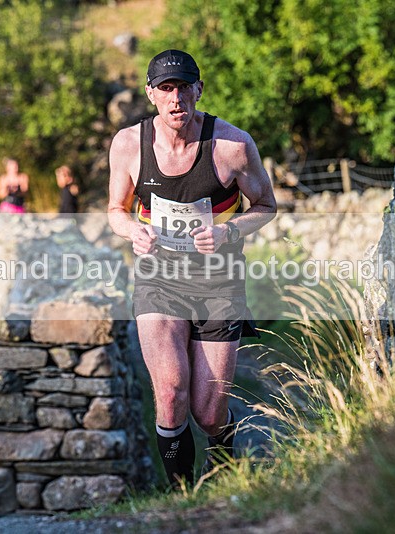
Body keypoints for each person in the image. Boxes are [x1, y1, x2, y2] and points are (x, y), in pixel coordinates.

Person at [107, 49, 277, 487]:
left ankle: (222, 471)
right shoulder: (129, 144)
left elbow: (266, 206)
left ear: (199, 90)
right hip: (157, 279)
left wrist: (229, 233)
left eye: (184, 87)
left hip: (219, 284)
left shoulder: (232, 146)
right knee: (169, 392)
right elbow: (114, 209)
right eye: (166, 89)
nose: (176, 97)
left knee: (208, 412)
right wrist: (132, 231)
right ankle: (183, 497)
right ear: (151, 94)